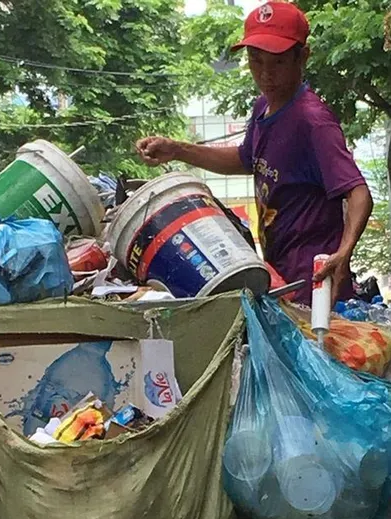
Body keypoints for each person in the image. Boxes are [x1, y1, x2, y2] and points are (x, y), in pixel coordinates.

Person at [135, 1, 372, 306]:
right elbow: (246, 159)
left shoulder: (313, 121)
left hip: (314, 283)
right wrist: (177, 149)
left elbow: (358, 192)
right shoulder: (263, 107)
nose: (265, 74)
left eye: (277, 62)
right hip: (279, 276)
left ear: (303, 57)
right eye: (255, 60)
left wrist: (344, 253)